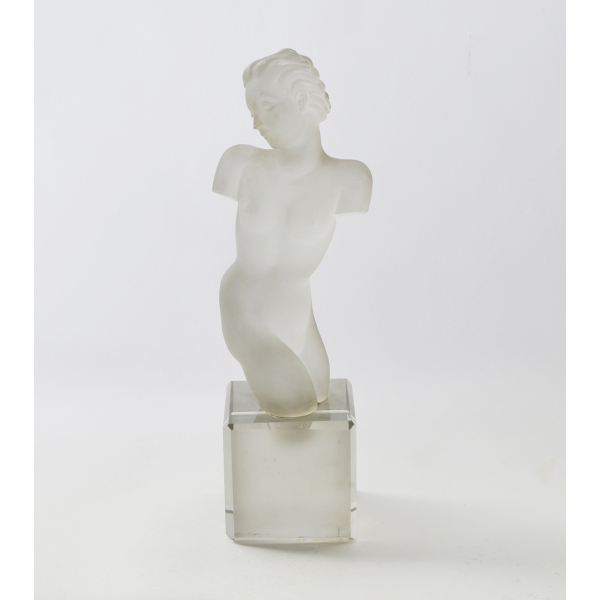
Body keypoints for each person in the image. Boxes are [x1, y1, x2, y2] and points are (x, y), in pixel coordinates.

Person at [213, 49, 372, 417]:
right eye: (252, 112)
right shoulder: (240, 163)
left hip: (299, 315)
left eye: (265, 107)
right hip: (245, 307)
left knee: (318, 398)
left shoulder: (350, 179)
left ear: (300, 100)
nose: (256, 123)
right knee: (293, 405)